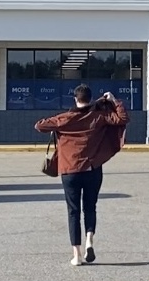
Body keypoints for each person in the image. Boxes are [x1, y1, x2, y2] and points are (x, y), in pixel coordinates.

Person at [34, 84, 129, 266]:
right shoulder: (99, 117)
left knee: (73, 211)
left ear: (75, 99)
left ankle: (77, 255)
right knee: (90, 207)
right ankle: (89, 242)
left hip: (70, 171)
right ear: (90, 98)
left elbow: (39, 125)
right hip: (93, 169)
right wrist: (114, 101)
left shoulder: (65, 118)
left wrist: (58, 122)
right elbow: (122, 118)